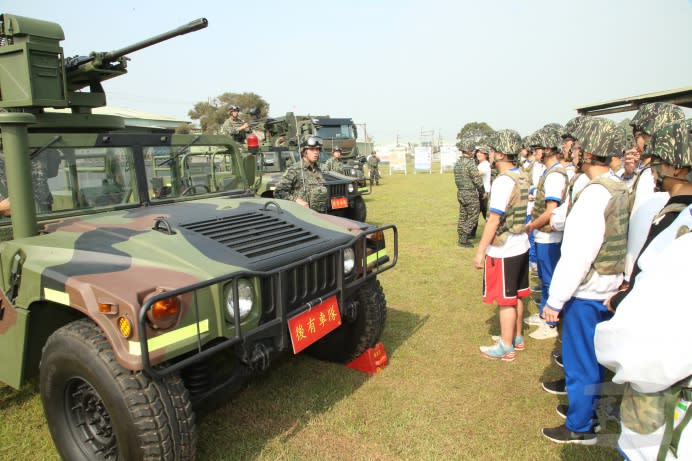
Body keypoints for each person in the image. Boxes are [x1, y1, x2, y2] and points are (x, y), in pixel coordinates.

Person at [595, 120, 692, 461]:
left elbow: (635, 343)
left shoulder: (680, 229)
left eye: (657, 161)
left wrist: (621, 308)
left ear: (678, 166)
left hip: (668, 399)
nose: (652, 170)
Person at [541, 118, 629, 445]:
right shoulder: (618, 185)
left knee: (581, 363)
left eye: (577, 146)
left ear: (589, 152)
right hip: (610, 285)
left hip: (588, 291)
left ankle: (580, 425)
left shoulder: (594, 195)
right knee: (595, 358)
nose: (572, 151)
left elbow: (578, 255)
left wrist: (554, 301)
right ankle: (587, 411)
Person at [474, 129, 530, 361]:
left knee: (505, 301)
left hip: (504, 248)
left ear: (498, 154)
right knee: (516, 295)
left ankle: (506, 347)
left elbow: (494, 219)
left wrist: (480, 252)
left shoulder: (503, 182)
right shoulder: (523, 175)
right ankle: (516, 338)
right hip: (521, 244)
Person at [623, 102, 685, 284]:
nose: (636, 143)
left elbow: (646, 230)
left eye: (639, 136)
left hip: (645, 276)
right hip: (635, 272)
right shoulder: (646, 172)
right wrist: (628, 174)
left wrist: (632, 279)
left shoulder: (668, 181)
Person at [524, 129, 568, 340]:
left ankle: (550, 323)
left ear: (548, 149)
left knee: (550, 278)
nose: (535, 152)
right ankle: (544, 313)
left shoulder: (555, 174)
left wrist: (532, 225)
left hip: (550, 236)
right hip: (544, 234)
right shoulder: (548, 171)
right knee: (544, 276)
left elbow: (551, 209)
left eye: (538, 148)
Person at [273, 136, 329, 212]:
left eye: (318, 149)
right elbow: (278, 192)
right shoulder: (295, 169)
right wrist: (296, 200)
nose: (316, 152)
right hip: (302, 215)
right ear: (304, 151)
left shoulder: (319, 169)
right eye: (312, 149)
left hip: (319, 215)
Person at [454, 145, 485, 247]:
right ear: (469, 151)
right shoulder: (470, 163)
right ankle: (464, 238)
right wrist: (482, 191)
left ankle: (461, 235)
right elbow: (477, 180)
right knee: (474, 214)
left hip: (461, 192)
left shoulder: (457, 163)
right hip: (470, 193)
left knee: (463, 215)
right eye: (473, 151)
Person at [476, 146, 492, 220]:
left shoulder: (486, 164)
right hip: (480, 193)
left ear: (486, 155)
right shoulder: (480, 164)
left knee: (488, 217)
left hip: (485, 193)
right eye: (478, 152)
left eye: (481, 153)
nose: (478, 154)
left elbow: (477, 174)